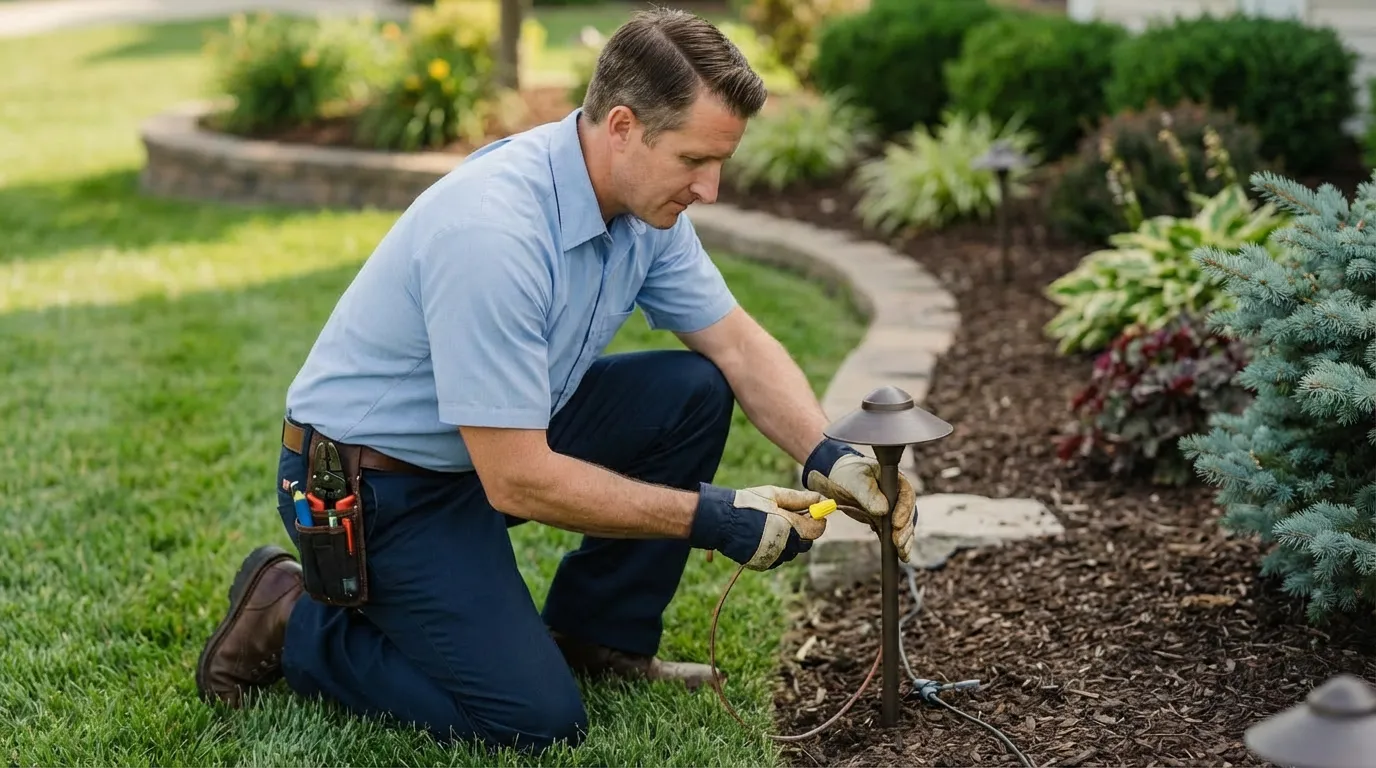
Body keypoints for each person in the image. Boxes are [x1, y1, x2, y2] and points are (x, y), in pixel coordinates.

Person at [193, 6, 916, 755]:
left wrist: (834, 460)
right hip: (373, 489)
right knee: (533, 721)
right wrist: (718, 518)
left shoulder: (644, 211)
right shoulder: (494, 233)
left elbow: (736, 344)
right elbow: (518, 480)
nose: (712, 189)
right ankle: (292, 615)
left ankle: (597, 638)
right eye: (695, 161)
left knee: (692, 393)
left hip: (488, 441)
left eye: (720, 162)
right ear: (624, 127)